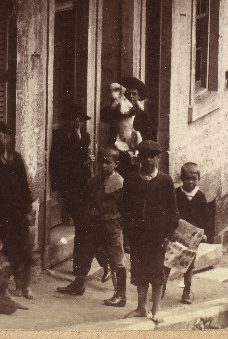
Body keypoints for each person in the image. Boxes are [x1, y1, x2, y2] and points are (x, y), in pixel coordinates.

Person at [56, 145, 128, 305]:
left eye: (108, 163)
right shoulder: (95, 180)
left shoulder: (120, 183)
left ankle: (121, 295)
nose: (103, 166)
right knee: (85, 254)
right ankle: (78, 285)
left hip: (111, 226)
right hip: (95, 225)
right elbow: (88, 198)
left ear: (116, 164)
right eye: (101, 162)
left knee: (116, 260)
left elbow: (122, 208)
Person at [119, 139, 179, 324]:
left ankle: (156, 309)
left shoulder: (165, 181)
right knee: (139, 271)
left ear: (158, 158)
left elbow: (172, 210)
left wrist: (168, 234)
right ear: (138, 158)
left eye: (152, 157)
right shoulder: (131, 180)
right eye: (144, 156)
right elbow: (124, 208)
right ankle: (141, 307)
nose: (147, 161)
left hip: (157, 236)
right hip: (137, 235)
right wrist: (128, 233)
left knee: (156, 271)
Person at [0, 122, 35, 300]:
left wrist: (28, 209)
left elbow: (24, 186)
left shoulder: (15, 158)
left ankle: (27, 286)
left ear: (8, 138)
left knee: (25, 247)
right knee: (11, 248)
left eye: (2, 136)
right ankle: (18, 283)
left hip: (19, 211)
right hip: (2, 213)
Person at [175, 162, 214, 304]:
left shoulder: (200, 197)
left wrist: (203, 233)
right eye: (187, 179)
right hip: (177, 235)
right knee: (168, 262)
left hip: (192, 237)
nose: (190, 182)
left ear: (199, 179)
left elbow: (206, 218)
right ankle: (161, 289)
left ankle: (186, 290)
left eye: (194, 179)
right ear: (181, 178)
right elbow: (172, 213)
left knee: (189, 263)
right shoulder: (177, 194)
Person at [49, 106, 93, 224]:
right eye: (75, 119)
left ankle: (81, 241)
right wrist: (55, 182)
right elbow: (57, 158)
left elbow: (83, 152)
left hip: (82, 180)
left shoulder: (85, 135)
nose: (79, 123)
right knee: (78, 214)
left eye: (81, 120)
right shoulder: (59, 135)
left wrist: (79, 135)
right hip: (68, 181)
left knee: (83, 215)